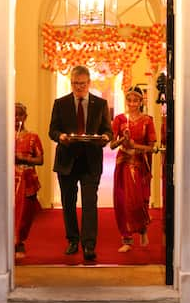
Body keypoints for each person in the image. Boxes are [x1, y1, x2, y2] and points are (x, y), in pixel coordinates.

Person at [49, 65, 112, 261]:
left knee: (89, 204)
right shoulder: (61, 103)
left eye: (82, 84)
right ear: (71, 83)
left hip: (90, 161)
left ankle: (89, 245)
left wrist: (104, 137)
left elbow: (108, 131)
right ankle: (73, 241)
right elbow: (52, 130)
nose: (79, 87)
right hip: (67, 160)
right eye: (76, 84)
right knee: (68, 204)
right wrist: (61, 137)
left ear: (89, 83)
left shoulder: (100, 104)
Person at [110, 86, 157, 252]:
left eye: (135, 100)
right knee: (122, 201)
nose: (132, 103)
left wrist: (134, 145)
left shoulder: (147, 121)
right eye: (129, 100)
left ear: (141, 101)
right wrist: (123, 139)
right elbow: (112, 144)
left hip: (139, 165)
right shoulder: (120, 119)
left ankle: (143, 229)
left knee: (138, 201)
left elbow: (151, 147)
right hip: (123, 164)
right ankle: (126, 239)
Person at [14, 102, 44, 260]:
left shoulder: (33, 137)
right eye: (13, 114)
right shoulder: (5, 136)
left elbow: (40, 160)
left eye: (19, 114)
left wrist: (23, 158)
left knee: (25, 213)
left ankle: (20, 242)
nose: (16, 118)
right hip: (9, 181)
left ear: (25, 117)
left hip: (27, 180)